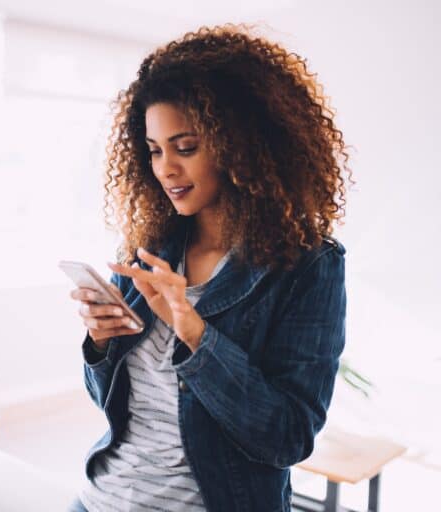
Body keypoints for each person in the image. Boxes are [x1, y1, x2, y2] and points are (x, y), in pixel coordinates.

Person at [67, 23, 351, 512]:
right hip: (98, 500)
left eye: (186, 147)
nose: (165, 170)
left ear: (242, 145)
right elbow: (115, 409)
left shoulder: (308, 266)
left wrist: (195, 332)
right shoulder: (148, 248)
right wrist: (100, 343)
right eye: (154, 151)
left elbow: (288, 437)